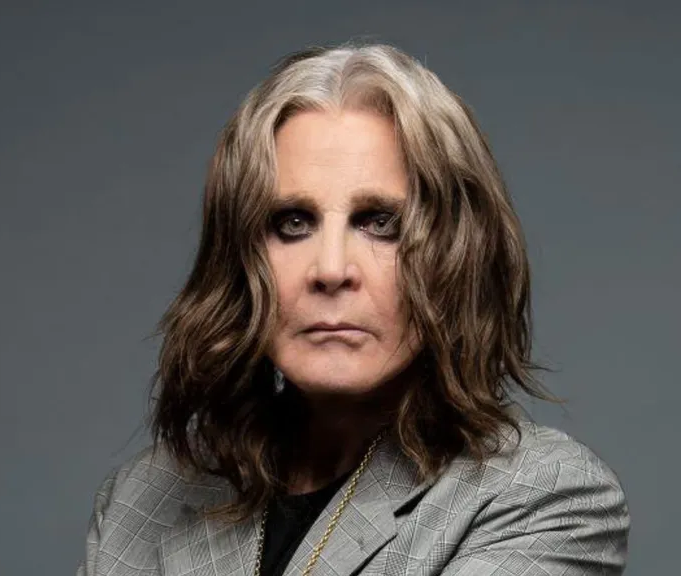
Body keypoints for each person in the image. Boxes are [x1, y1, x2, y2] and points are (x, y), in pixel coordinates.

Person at [76, 42, 630, 576]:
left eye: (380, 222)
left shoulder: (544, 496)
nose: (331, 268)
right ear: (241, 256)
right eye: (292, 223)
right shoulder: (141, 499)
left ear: (457, 253)